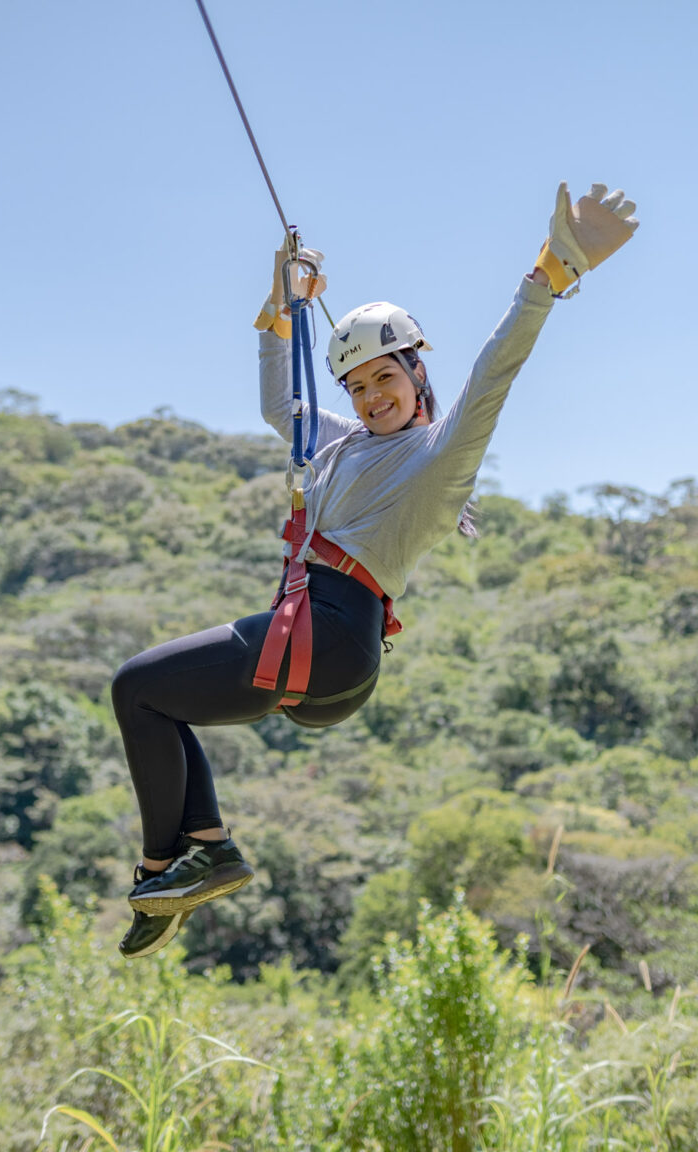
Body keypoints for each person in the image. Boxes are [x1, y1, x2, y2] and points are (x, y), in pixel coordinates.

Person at [112, 182, 638, 958]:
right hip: (325, 646)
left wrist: (549, 273)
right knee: (157, 701)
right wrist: (278, 307)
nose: (369, 398)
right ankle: (202, 855)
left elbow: (494, 374)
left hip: (332, 633)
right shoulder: (343, 443)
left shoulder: (435, 463)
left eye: (384, 379)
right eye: (357, 387)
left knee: (136, 687)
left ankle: (166, 869)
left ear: (416, 375)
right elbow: (278, 405)